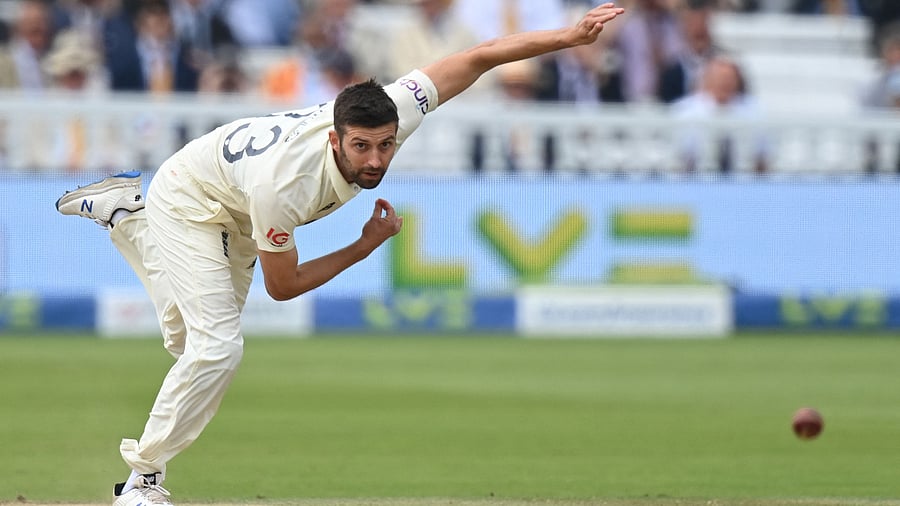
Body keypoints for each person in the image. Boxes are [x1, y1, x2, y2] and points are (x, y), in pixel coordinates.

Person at [54, 3, 626, 506]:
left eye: (384, 144)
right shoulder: (287, 186)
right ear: (335, 138)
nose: (376, 160)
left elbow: (478, 56)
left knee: (186, 345)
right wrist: (363, 245)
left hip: (234, 197)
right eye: (360, 147)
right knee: (216, 348)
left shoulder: (397, 106)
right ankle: (142, 482)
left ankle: (127, 216)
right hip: (192, 196)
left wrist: (568, 38)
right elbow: (285, 284)